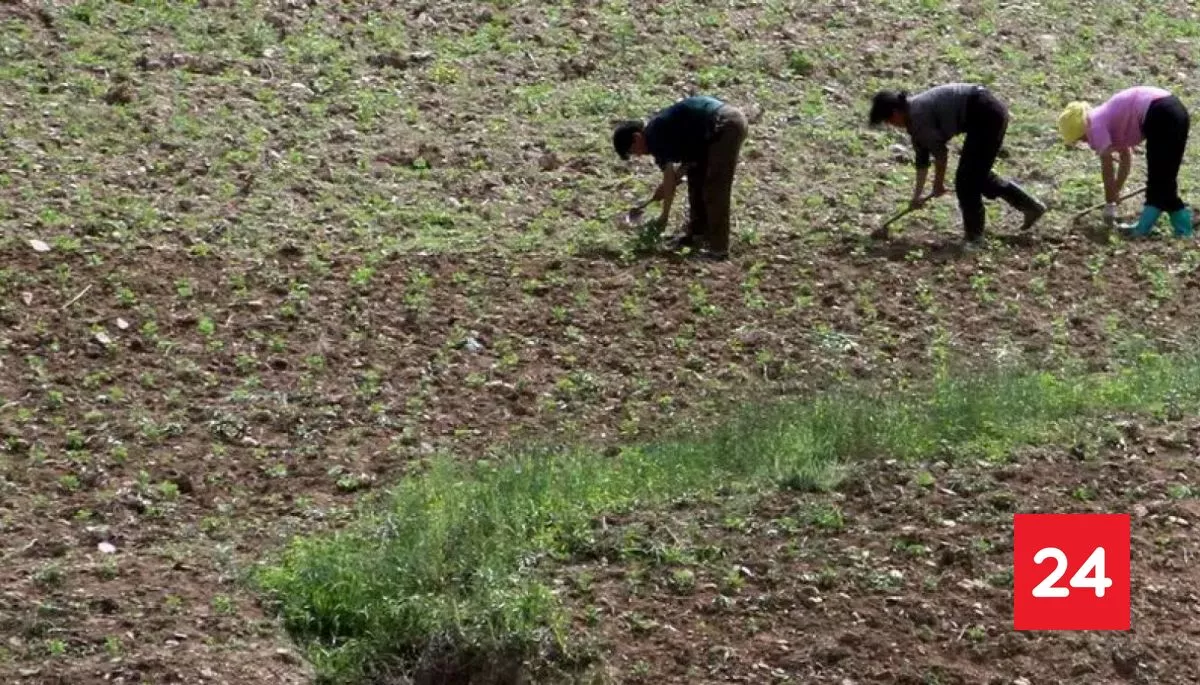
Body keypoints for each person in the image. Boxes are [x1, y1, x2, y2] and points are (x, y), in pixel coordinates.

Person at [868, 83, 1046, 248]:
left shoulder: (918, 116)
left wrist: (938, 184)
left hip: (986, 114)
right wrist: (916, 196)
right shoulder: (914, 121)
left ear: (895, 113)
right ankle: (1030, 207)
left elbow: (940, 155)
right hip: (986, 113)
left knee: (966, 181)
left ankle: (974, 237)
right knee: (977, 176)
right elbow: (922, 161)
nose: (892, 125)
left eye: (889, 121)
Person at [612, 95, 749, 259]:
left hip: (725, 125)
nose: (639, 156)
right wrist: (670, 183)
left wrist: (664, 217)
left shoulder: (655, 135)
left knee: (715, 188)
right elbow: (686, 164)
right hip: (711, 134)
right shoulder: (659, 132)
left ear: (636, 137)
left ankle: (718, 250)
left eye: (633, 151)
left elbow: (669, 177)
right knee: (696, 178)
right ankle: (698, 234)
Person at [1058, 87, 1193, 238]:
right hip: (1172, 110)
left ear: (1083, 129)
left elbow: (1108, 168)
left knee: (1161, 179)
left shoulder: (1095, 126)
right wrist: (1116, 191)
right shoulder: (1104, 118)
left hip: (1160, 114)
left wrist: (1110, 203)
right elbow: (1126, 157)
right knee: (1163, 179)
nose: (1085, 143)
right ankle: (1171, 227)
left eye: (1081, 138)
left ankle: (1159, 229)